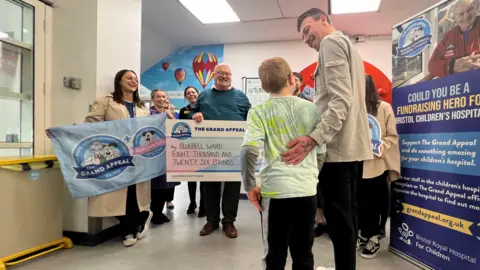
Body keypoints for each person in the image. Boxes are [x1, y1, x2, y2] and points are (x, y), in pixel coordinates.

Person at [287, 8, 372, 270]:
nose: (305, 38)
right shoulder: (348, 46)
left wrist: (313, 139)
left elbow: (340, 100)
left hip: (336, 149)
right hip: (352, 147)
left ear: (323, 20)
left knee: (339, 222)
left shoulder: (331, 43)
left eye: (306, 30)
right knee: (347, 219)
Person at [241, 57, 326, 270]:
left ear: (263, 86)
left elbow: (249, 150)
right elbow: (321, 151)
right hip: (307, 191)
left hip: (275, 192)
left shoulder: (259, 112)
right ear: (292, 79)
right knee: (304, 252)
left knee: (275, 252)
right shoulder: (312, 109)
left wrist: (250, 185)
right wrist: (312, 175)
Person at [85, 69, 153, 247]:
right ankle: (130, 227)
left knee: (133, 193)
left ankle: (136, 223)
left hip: (138, 158)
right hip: (115, 156)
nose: (133, 81)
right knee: (116, 194)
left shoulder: (142, 107)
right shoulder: (106, 102)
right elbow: (91, 123)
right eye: (129, 78)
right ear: (119, 81)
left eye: (136, 79)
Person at [189, 63, 251, 238]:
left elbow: (251, 119)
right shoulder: (204, 96)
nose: (224, 76)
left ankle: (229, 221)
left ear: (231, 76)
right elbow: (190, 115)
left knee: (232, 186)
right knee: (210, 186)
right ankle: (211, 220)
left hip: (234, 149)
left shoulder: (241, 96)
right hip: (209, 149)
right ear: (213, 75)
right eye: (221, 73)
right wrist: (195, 116)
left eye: (227, 74)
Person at [357, 75, 400, 259]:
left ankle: (374, 235)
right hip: (355, 163)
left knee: (374, 201)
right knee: (359, 202)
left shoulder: (384, 108)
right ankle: (365, 233)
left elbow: (392, 136)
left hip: (376, 164)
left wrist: (382, 144)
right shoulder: (353, 109)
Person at [149, 89, 180, 224]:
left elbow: (178, 131)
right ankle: (154, 213)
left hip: (169, 154)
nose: (161, 99)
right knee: (154, 186)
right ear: (153, 99)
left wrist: (171, 118)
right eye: (158, 97)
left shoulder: (174, 114)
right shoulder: (148, 114)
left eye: (164, 96)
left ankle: (159, 212)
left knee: (166, 186)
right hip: (153, 154)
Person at [428, 0, 480, 78]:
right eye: (461, 14)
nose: (466, 16)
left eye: (470, 10)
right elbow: (432, 65)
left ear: (476, 9)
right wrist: (453, 65)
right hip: (457, 85)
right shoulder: (449, 36)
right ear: (455, 18)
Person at [179, 86, 206, 217]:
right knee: (191, 178)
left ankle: (203, 205)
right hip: (189, 146)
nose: (191, 94)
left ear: (198, 94)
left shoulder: (204, 108)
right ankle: (192, 203)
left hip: (204, 146)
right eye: (188, 93)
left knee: (203, 179)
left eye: (193, 92)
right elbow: (179, 127)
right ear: (186, 96)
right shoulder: (183, 111)